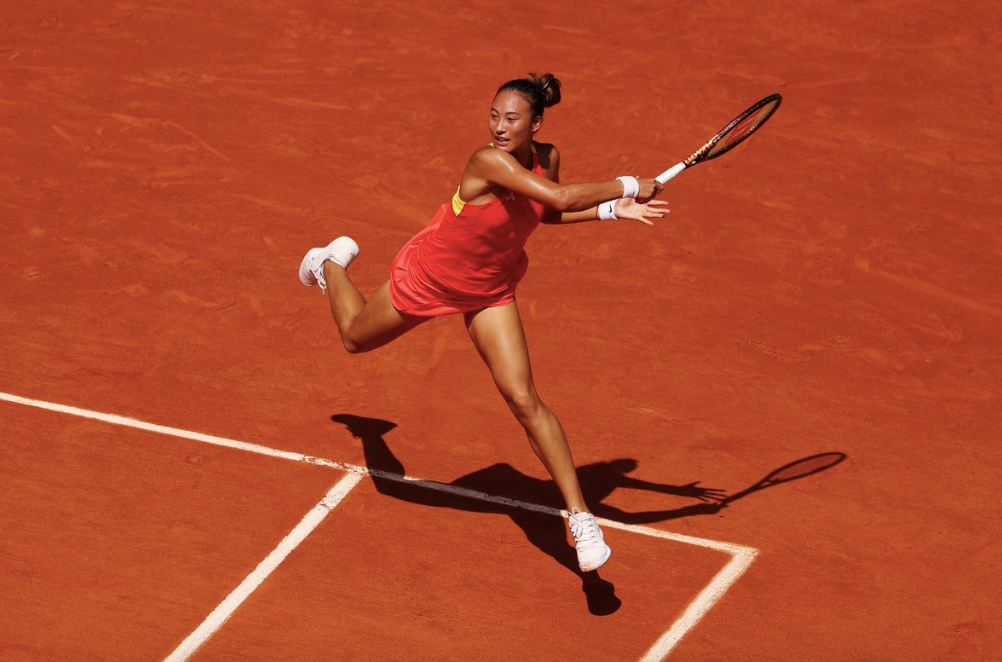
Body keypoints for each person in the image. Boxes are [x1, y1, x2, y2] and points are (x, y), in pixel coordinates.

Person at [299, 73, 668, 572]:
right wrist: (628, 184)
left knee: (523, 398)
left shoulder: (547, 158)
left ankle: (581, 519)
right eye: (494, 116)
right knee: (353, 339)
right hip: (431, 276)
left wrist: (610, 211)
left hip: (490, 290)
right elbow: (561, 198)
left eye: (512, 119)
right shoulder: (486, 161)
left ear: (536, 124)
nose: (499, 127)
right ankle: (329, 264)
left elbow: (546, 211)